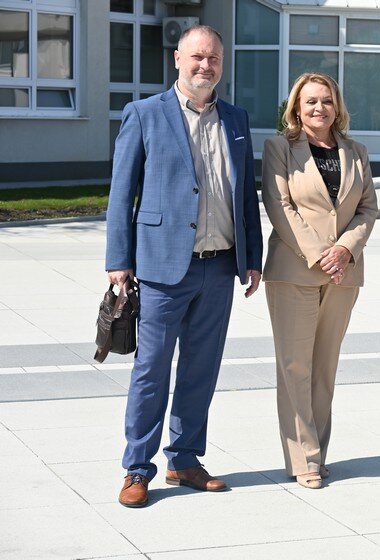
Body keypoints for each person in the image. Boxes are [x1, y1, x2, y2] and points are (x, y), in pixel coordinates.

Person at [106, 25, 263, 508]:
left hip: (219, 266)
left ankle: (185, 459)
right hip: (161, 268)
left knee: (201, 369)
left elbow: (245, 194)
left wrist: (252, 258)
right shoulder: (144, 114)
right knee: (151, 371)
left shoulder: (236, 119)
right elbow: (121, 193)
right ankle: (137, 468)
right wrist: (119, 260)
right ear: (178, 58)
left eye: (213, 58)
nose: (205, 66)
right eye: (197, 57)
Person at [262, 73, 377, 489]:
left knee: (324, 367)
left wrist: (345, 249)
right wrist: (320, 255)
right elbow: (279, 206)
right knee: (295, 366)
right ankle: (303, 458)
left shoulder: (356, 152)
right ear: (296, 107)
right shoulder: (279, 148)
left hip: (344, 272)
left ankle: (319, 453)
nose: (319, 108)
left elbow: (368, 208)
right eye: (310, 101)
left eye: (326, 101)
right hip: (295, 270)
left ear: (337, 106)